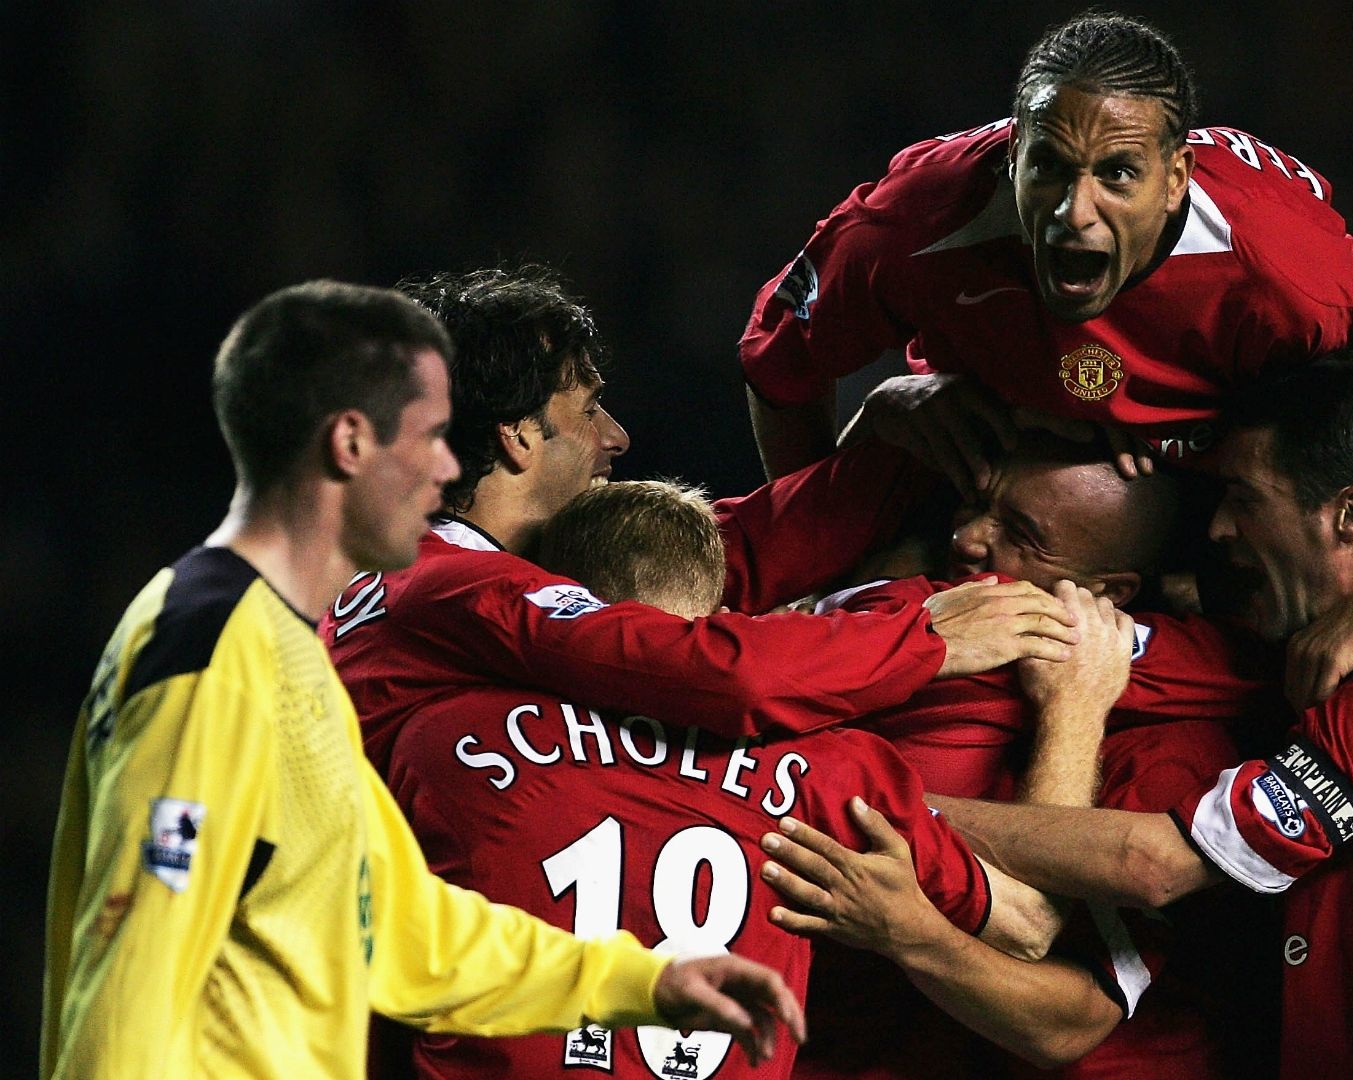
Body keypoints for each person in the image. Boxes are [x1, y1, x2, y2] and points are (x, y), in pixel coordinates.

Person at [739, 426, 1353, 1076]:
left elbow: (1136, 882)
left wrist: (852, 804)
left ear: (1348, 514)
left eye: (1244, 499)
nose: (1223, 530)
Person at [41, 282, 802, 1080]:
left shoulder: (291, 652)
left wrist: (641, 980)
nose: (450, 467)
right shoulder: (214, 654)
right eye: (432, 437)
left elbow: (408, 930)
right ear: (349, 444)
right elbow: (137, 953)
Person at [375, 479, 1103, 1078]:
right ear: (726, 618)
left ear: (562, 597)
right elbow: (1031, 926)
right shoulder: (833, 771)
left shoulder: (441, 740)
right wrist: (1076, 704)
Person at [323, 266, 1079, 783]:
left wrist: (917, 434)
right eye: (587, 409)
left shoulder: (445, 566)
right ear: (516, 435)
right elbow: (721, 674)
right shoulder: (454, 589)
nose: (615, 437)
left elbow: (732, 551)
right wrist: (929, 638)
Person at [741, 11, 1353, 486]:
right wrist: (814, 546)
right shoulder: (914, 218)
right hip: (975, 476)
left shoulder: (1289, 277)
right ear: (1014, 155)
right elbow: (781, 362)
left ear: (1176, 180)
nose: (1073, 213)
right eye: (1049, 166)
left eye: (1117, 174)